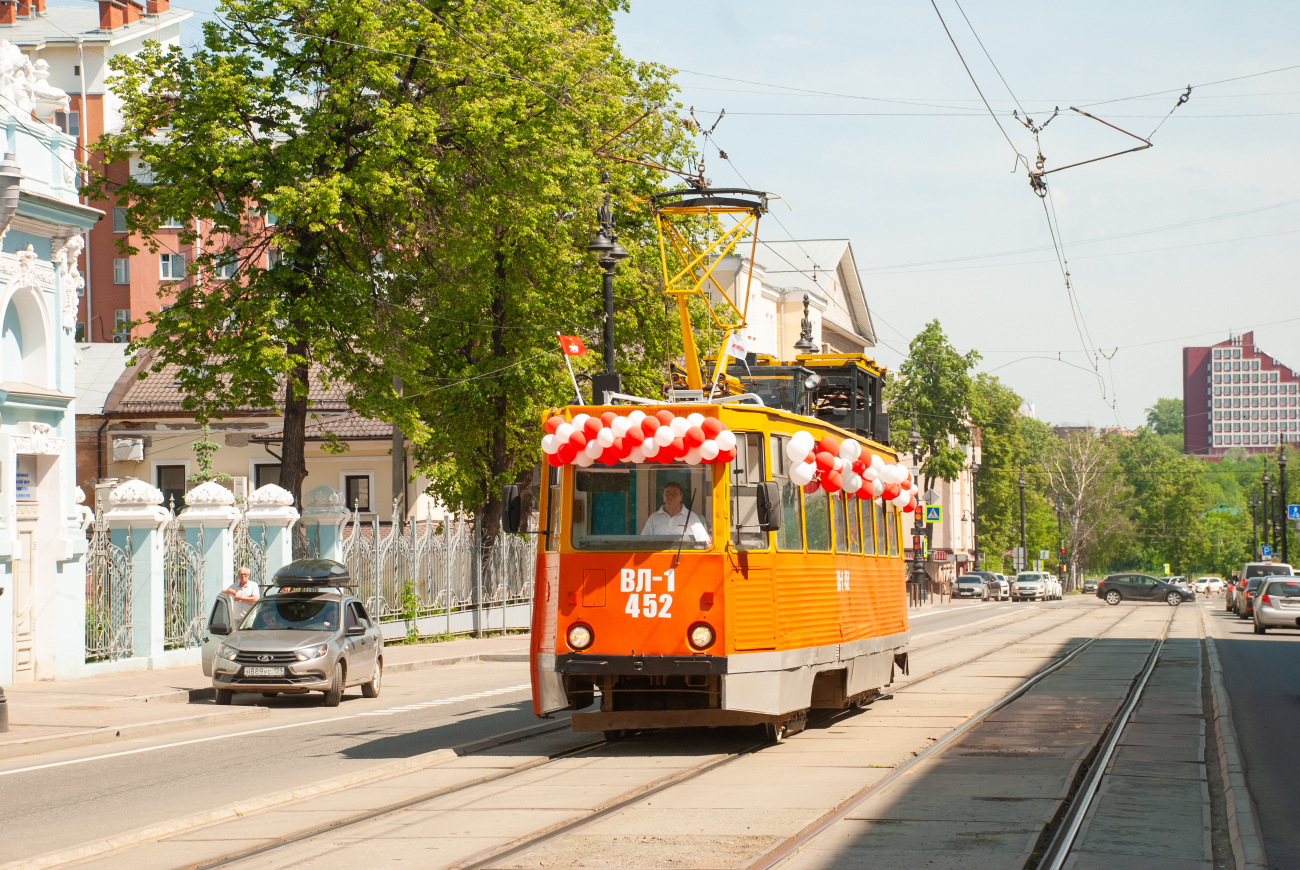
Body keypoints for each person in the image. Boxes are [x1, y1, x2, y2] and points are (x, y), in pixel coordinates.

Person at [641, 481, 709, 543]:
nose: (670, 496)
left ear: (681, 497)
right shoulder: (654, 517)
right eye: (667, 493)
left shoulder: (692, 517)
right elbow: (643, 541)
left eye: (674, 493)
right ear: (663, 497)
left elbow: (704, 541)